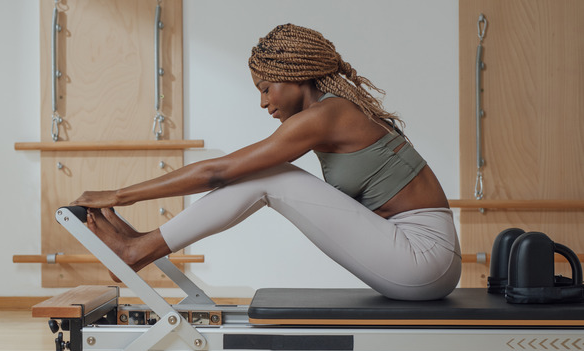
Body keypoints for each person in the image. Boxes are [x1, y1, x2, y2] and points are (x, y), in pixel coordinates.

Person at [71, 23, 461, 301]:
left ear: (295, 76)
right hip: (417, 256)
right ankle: (140, 245)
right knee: (269, 175)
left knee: (271, 177)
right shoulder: (332, 112)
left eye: (266, 88)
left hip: (423, 259)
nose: (263, 102)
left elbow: (219, 171)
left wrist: (121, 194)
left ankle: (140, 249)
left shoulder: (325, 116)